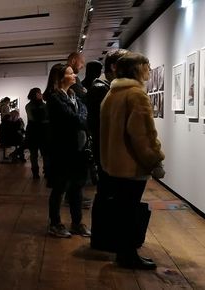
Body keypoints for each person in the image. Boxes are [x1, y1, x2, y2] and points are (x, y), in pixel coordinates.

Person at [100, 52, 165, 270]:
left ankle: (123, 252)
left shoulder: (112, 94)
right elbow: (143, 134)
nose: (149, 70)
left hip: (114, 164)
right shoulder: (135, 94)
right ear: (137, 69)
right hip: (131, 164)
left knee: (123, 210)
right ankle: (128, 255)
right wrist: (155, 160)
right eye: (146, 66)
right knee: (129, 211)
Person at [86, 49, 129, 252]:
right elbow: (107, 123)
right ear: (114, 66)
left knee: (107, 193)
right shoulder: (100, 88)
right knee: (106, 194)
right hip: (107, 150)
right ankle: (104, 239)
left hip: (108, 149)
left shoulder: (103, 87)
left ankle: (106, 238)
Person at [44, 63, 91, 238]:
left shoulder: (73, 96)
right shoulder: (54, 98)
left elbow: (84, 115)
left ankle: (77, 223)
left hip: (78, 150)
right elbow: (74, 120)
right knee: (60, 188)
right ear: (61, 77)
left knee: (77, 188)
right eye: (71, 73)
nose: (75, 76)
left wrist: (81, 118)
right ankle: (55, 223)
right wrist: (82, 119)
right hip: (62, 151)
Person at [24, 87, 48, 179]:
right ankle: (36, 172)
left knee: (42, 154)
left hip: (36, 132)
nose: (41, 94)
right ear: (35, 94)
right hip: (36, 132)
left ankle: (43, 171)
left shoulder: (31, 106)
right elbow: (33, 119)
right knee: (36, 154)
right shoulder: (30, 106)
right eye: (39, 93)